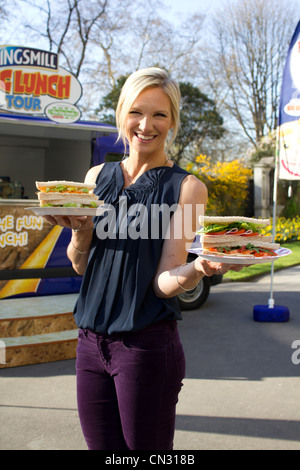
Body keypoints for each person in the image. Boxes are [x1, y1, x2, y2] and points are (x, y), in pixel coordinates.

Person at [44, 67, 243, 450]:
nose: (146, 125)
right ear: (122, 113)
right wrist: (80, 229)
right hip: (89, 345)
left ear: (172, 122)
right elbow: (81, 265)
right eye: (136, 111)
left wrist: (197, 268)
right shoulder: (95, 176)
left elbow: (163, 281)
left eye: (160, 115)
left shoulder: (187, 188)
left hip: (145, 348)